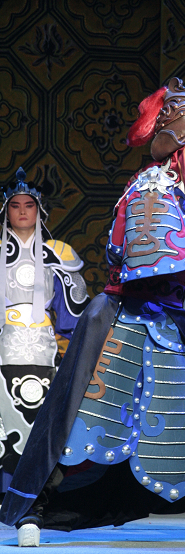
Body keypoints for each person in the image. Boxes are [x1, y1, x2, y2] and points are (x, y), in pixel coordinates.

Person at [0, 78, 185, 547]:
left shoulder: (176, 189)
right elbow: (163, 256)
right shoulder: (154, 187)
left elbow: (183, 255)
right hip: (130, 323)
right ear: (176, 145)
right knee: (88, 418)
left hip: (155, 323)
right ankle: (37, 506)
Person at [0, 168, 90, 496]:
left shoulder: (58, 254)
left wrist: (75, 358)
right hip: (3, 349)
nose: (22, 212)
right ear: (5, 211)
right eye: (15, 206)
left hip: (45, 352)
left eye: (29, 205)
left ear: (40, 211)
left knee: (41, 424)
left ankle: (36, 497)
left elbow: (73, 316)